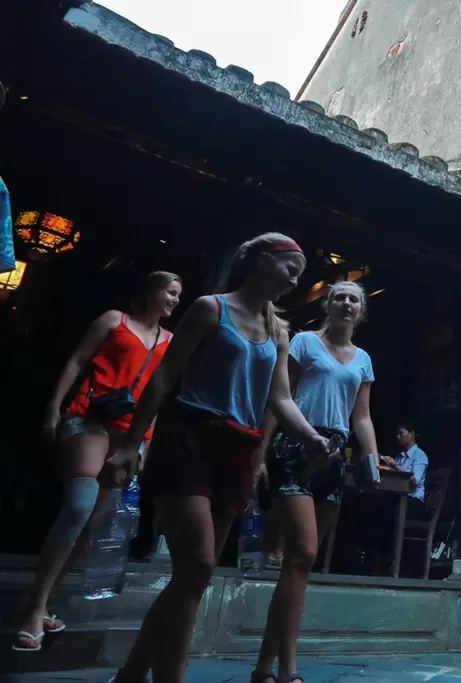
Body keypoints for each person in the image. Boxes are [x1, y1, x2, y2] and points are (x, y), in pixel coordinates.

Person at [106, 233, 331, 683]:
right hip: (189, 435)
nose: (294, 280)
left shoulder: (278, 331)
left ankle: (132, 674)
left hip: (239, 450)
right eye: (292, 269)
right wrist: (131, 442)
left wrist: (310, 437)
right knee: (200, 565)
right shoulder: (212, 308)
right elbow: (166, 373)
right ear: (264, 259)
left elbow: (280, 398)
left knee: (193, 574)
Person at [12, 271, 182, 653]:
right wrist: (54, 407)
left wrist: (144, 446)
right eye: (170, 292)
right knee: (78, 506)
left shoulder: (170, 342)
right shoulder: (113, 320)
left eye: (178, 295)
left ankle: (41, 601)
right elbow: (77, 360)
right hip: (89, 418)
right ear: (152, 290)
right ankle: (35, 608)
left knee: (97, 523)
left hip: (130, 434)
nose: (174, 299)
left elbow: (156, 397)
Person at [252, 281, 377, 683]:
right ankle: (288, 671)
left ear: (361, 311)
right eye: (339, 296)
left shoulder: (363, 360)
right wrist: (260, 452)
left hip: (333, 455)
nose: (346, 303)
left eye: (353, 299)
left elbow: (361, 416)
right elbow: (279, 397)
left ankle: (263, 668)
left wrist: (370, 458)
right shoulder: (304, 342)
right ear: (327, 304)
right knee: (301, 554)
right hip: (294, 446)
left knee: (300, 564)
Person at [387, 423, 428, 518]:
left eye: (401, 433)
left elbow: (414, 482)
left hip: (413, 500)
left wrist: (396, 466)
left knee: (387, 510)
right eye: (397, 434)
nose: (398, 437)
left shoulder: (419, 455)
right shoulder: (399, 455)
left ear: (412, 434)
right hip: (399, 497)